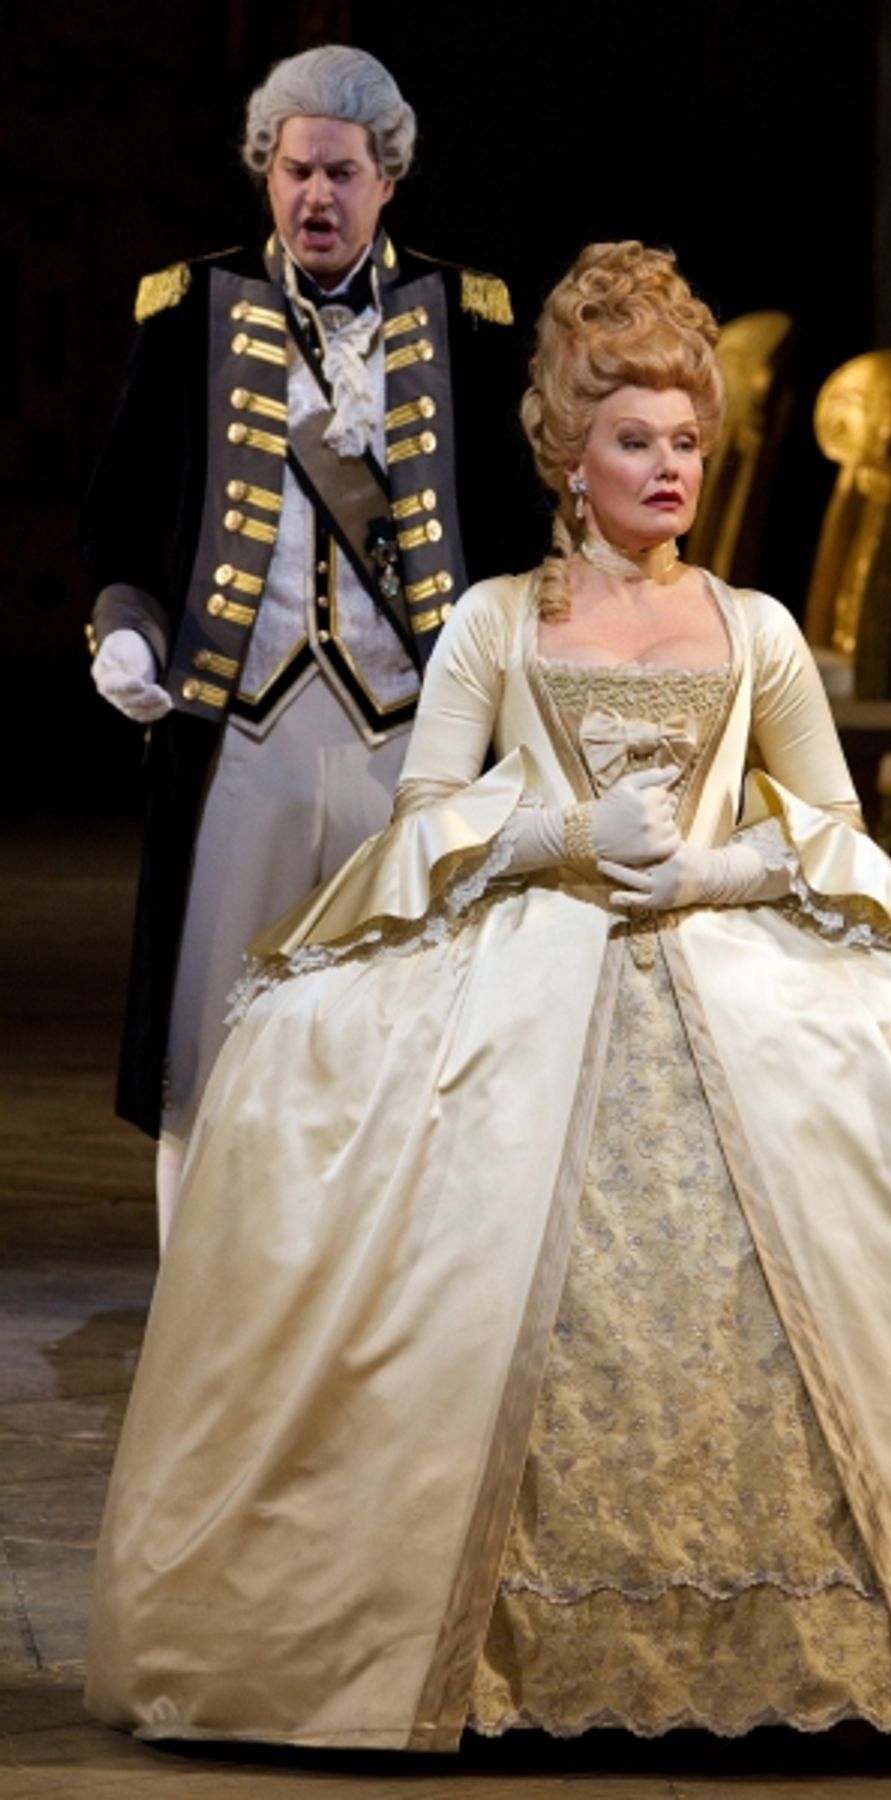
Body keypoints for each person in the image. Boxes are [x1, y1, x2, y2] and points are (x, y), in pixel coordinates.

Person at [86, 241, 891, 1749]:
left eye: (689, 444)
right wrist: (556, 836)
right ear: (568, 455)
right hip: (527, 959)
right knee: (331, 1096)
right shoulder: (494, 623)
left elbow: (844, 835)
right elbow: (423, 820)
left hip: (739, 966)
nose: (670, 469)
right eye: (635, 441)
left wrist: (725, 877)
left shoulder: (759, 629)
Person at [82, 44, 538, 1244]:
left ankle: (401, 1303)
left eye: (342, 171)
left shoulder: (467, 314)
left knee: (410, 1030)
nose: (315, 198)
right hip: (245, 726)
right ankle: (203, 1314)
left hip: (412, 734)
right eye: (294, 171)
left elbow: (512, 529)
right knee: (213, 1036)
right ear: (265, 172)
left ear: (388, 177)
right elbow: (121, 521)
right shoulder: (192, 309)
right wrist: (125, 632)